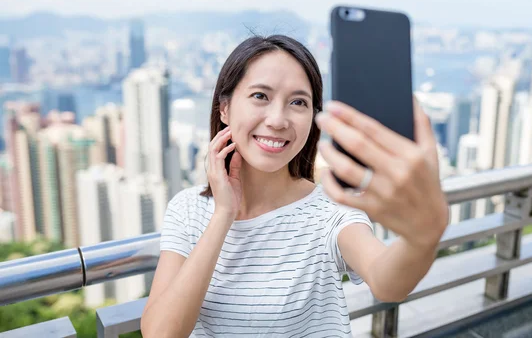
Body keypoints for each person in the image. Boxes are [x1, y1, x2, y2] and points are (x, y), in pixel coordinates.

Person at [140, 35, 449, 337]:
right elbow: (161, 333)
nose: (277, 120)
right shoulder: (187, 208)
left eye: (298, 102)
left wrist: (422, 237)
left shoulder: (331, 210)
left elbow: (387, 282)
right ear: (224, 108)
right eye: (260, 96)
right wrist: (223, 213)